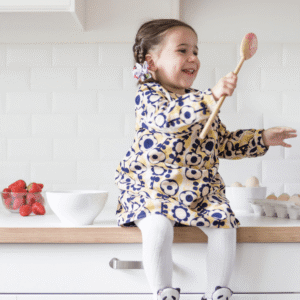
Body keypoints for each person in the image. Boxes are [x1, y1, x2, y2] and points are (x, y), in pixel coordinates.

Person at [115, 19, 297, 300]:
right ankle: (162, 290)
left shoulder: (202, 100)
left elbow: (221, 143)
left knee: (224, 223)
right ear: (151, 62)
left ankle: (218, 290)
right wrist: (211, 97)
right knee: (158, 226)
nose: (193, 58)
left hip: (198, 191)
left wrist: (261, 138)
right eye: (183, 50)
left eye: (196, 52)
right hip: (152, 189)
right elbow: (169, 119)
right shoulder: (150, 97)